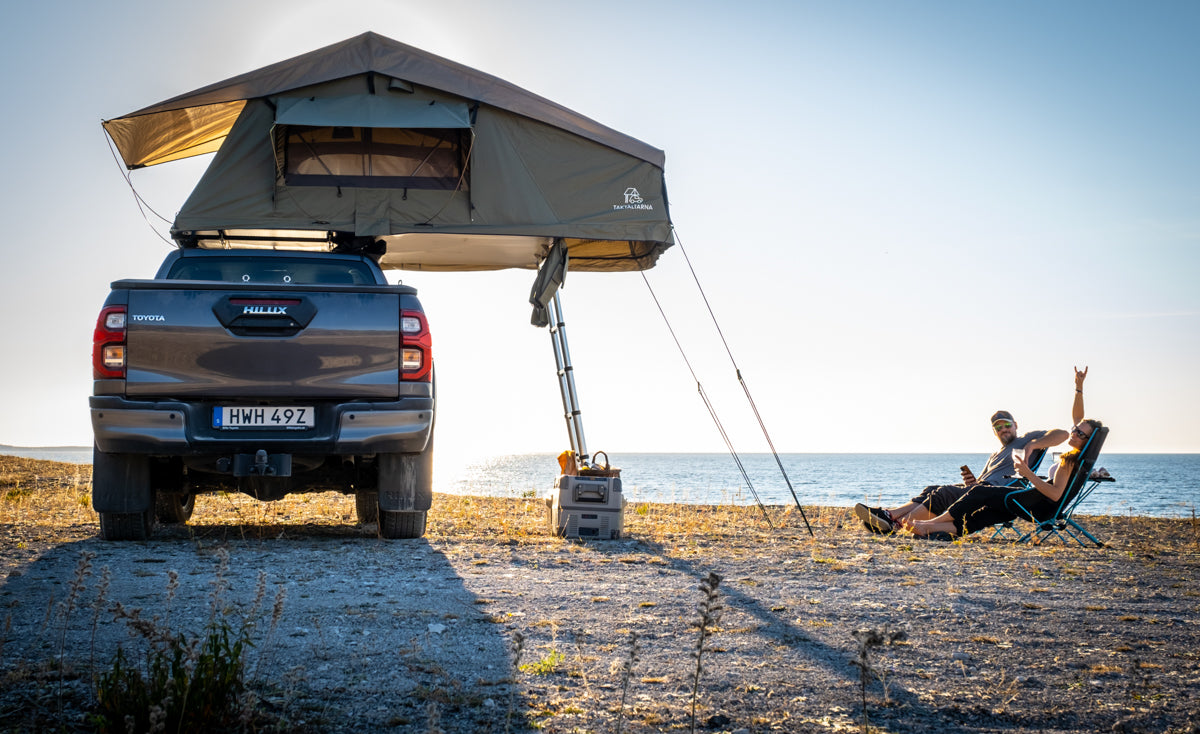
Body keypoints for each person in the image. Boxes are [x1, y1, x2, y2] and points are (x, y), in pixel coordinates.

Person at [853, 367, 1084, 534]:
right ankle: (890, 517)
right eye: (998, 427)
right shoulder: (995, 455)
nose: (1003, 429)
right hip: (981, 490)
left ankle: (892, 521)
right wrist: (972, 481)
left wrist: (1032, 445)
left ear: (1015, 425)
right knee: (932, 489)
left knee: (942, 493)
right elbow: (980, 485)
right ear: (994, 432)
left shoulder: (1027, 439)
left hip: (999, 494)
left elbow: (1063, 435)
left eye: (1006, 425)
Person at [909, 416, 1103, 539]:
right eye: (1075, 429)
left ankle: (930, 523)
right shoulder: (1079, 461)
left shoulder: (1068, 460)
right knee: (985, 516)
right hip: (1038, 508)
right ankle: (930, 530)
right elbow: (1058, 494)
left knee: (978, 491)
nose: (1074, 433)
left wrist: (1027, 473)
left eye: (1080, 433)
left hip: (1035, 505)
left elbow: (1054, 494)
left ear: (1088, 440)